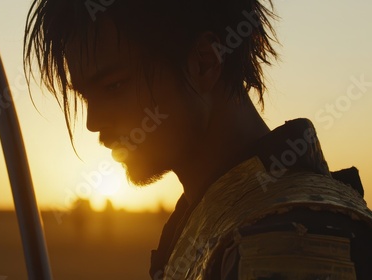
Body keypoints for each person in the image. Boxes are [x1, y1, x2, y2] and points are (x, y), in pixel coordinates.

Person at [23, 0, 372, 279]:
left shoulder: (294, 239)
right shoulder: (210, 218)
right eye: (86, 97)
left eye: (114, 86)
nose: (93, 122)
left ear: (204, 63)